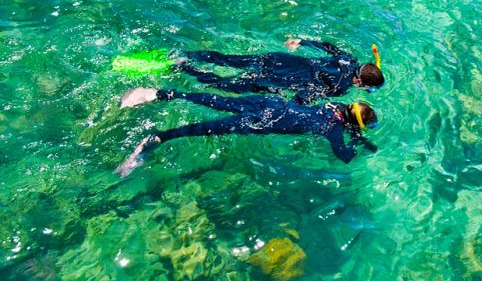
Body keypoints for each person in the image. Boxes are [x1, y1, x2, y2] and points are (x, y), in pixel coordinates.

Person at [116, 87, 379, 177]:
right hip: (265, 121)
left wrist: (356, 132)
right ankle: (158, 138)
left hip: (270, 104)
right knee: (205, 129)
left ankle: (161, 94)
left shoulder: (337, 108)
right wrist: (358, 144)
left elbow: (344, 120)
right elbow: (344, 156)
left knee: (216, 100)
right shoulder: (332, 130)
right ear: (352, 123)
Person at [172, 39, 385, 104]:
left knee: (228, 60)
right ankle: (182, 66)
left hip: (278, 59)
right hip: (277, 78)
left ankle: (186, 54)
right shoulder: (341, 87)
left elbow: (328, 47)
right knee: (223, 85)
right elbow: (307, 95)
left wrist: (302, 41)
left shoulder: (349, 59)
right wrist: (288, 103)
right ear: (359, 82)